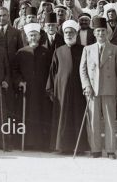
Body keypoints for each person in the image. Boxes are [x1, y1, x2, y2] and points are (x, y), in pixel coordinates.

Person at [80, 16, 117, 159]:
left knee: (110, 120)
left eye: (103, 31)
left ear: (107, 32)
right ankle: (95, 149)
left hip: (109, 89)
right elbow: (83, 69)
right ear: (94, 33)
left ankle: (111, 150)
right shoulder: (87, 49)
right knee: (93, 120)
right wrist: (86, 85)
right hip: (92, 89)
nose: (101, 34)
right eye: (98, 31)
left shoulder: (115, 49)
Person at [46, 19, 89, 154]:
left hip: (78, 91)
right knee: (62, 117)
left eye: (71, 32)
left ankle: (79, 147)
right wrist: (50, 89)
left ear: (76, 34)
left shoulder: (84, 50)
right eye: (66, 32)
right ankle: (62, 146)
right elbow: (53, 71)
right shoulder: (58, 51)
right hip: (61, 91)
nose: (69, 35)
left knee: (77, 116)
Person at [12, 23, 53, 151]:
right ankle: (26, 143)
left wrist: (48, 87)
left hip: (42, 92)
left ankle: (41, 144)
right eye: (31, 35)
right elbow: (15, 70)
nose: (33, 37)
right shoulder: (21, 52)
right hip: (27, 91)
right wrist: (20, 81)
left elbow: (51, 71)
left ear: (39, 36)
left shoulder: (46, 52)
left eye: (35, 35)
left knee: (42, 116)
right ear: (27, 37)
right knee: (26, 117)